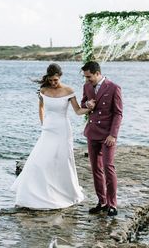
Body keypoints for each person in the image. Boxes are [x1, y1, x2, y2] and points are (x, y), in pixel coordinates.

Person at [11, 63, 92, 209]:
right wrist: (43, 124)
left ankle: (64, 192)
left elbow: (78, 111)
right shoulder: (44, 90)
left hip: (63, 129)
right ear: (47, 78)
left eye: (56, 80)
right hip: (48, 129)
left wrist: (90, 108)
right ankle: (35, 193)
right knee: (38, 160)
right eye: (51, 80)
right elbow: (41, 108)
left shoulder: (69, 90)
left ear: (60, 77)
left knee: (62, 160)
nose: (53, 83)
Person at [80, 61, 123, 217]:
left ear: (97, 73)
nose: (87, 80)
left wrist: (113, 135)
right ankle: (102, 202)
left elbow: (118, 113)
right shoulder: (86, 87)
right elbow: (82, 103)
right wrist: (87, 104)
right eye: (85, 77)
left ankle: (112, 204)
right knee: (95, 168)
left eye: (89, 77)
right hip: (92, 133)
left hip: (107, 135)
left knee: (108, 166)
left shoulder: (113, 87)